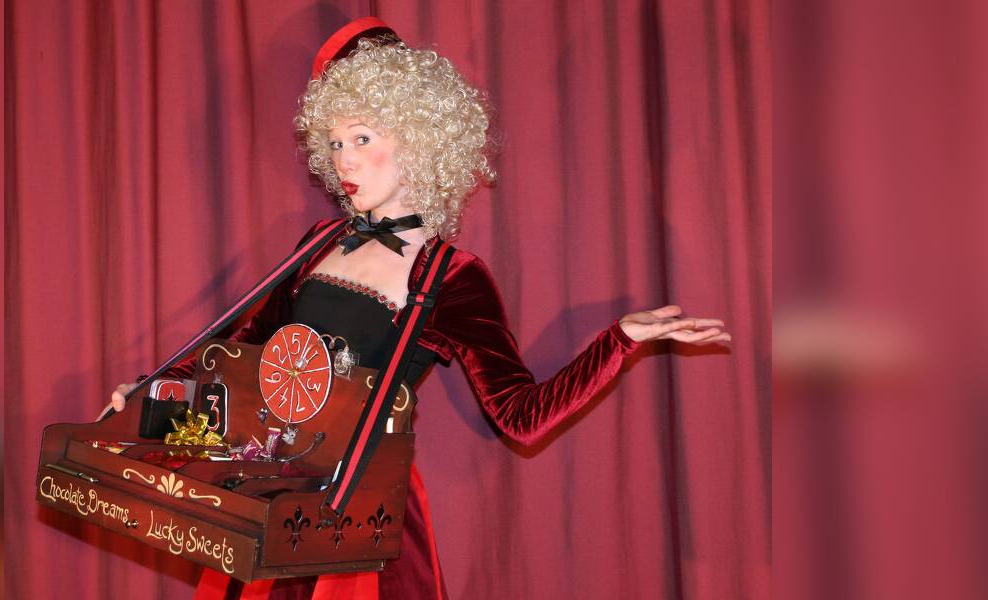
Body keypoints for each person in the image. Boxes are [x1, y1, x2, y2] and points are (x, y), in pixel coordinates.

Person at [107, 18, 730, 600]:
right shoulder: (317, 242)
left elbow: (521, 415)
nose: (345, 160)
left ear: (419, 140)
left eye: (363, 138)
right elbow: (244, 349)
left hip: (362, 516)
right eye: (335, 142)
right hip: (270, 495)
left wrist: (619, 341)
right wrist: (153, 394)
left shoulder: (452, 278)